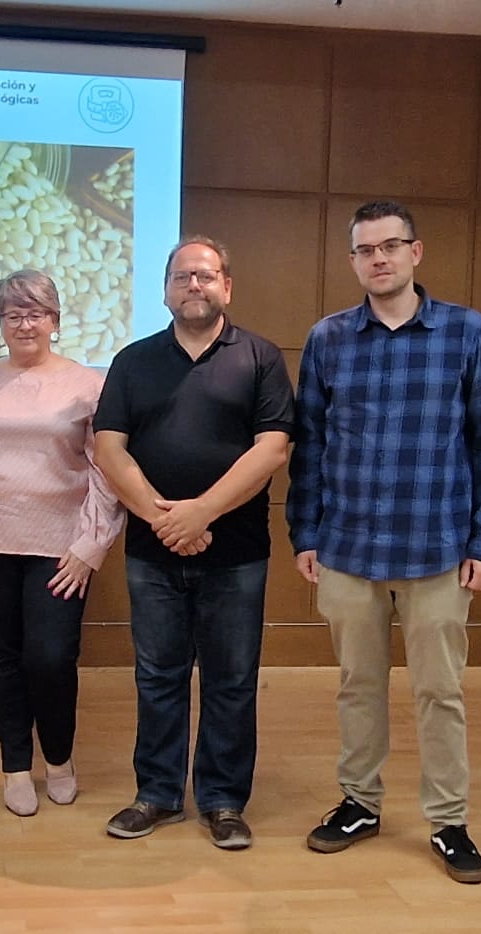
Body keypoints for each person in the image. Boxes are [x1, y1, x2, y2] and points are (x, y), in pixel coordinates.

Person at [287, 200, 481, 883]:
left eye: (390, 246)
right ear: (353, 260)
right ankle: (360, 803)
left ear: (416, 252)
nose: (378, 259)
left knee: (439, 692)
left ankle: (449, 822)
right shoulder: (328, 339)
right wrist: (306, 531)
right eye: (365, 250)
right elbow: (312, 446)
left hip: (439, 547)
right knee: (359, 686)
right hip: (347, 549)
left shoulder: (467, 333)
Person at [92, 236, 294, 850]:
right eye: (182, 276)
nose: (194, 285)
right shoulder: (133, 360)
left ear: (226, 286)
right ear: (166, 288)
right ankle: (155, 794)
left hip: (236, 553)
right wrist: (162, 519)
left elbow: (274, 448)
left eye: (205, 276)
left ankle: (224, 800)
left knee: (232, 680)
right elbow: (108, 447)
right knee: (157, 676)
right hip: (152, 552)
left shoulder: (259, 357)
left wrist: (201, 511)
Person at [0, 270, 125, 816]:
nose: (24, 323)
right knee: (4, 658)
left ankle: (58, 758)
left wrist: (92, 544)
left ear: (55, 322)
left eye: (35, 313)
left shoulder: (87, 385)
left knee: (52, 657)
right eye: (13, 314)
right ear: (1, 323)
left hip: (61, 548)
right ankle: (15, 766)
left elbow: (107, 471)